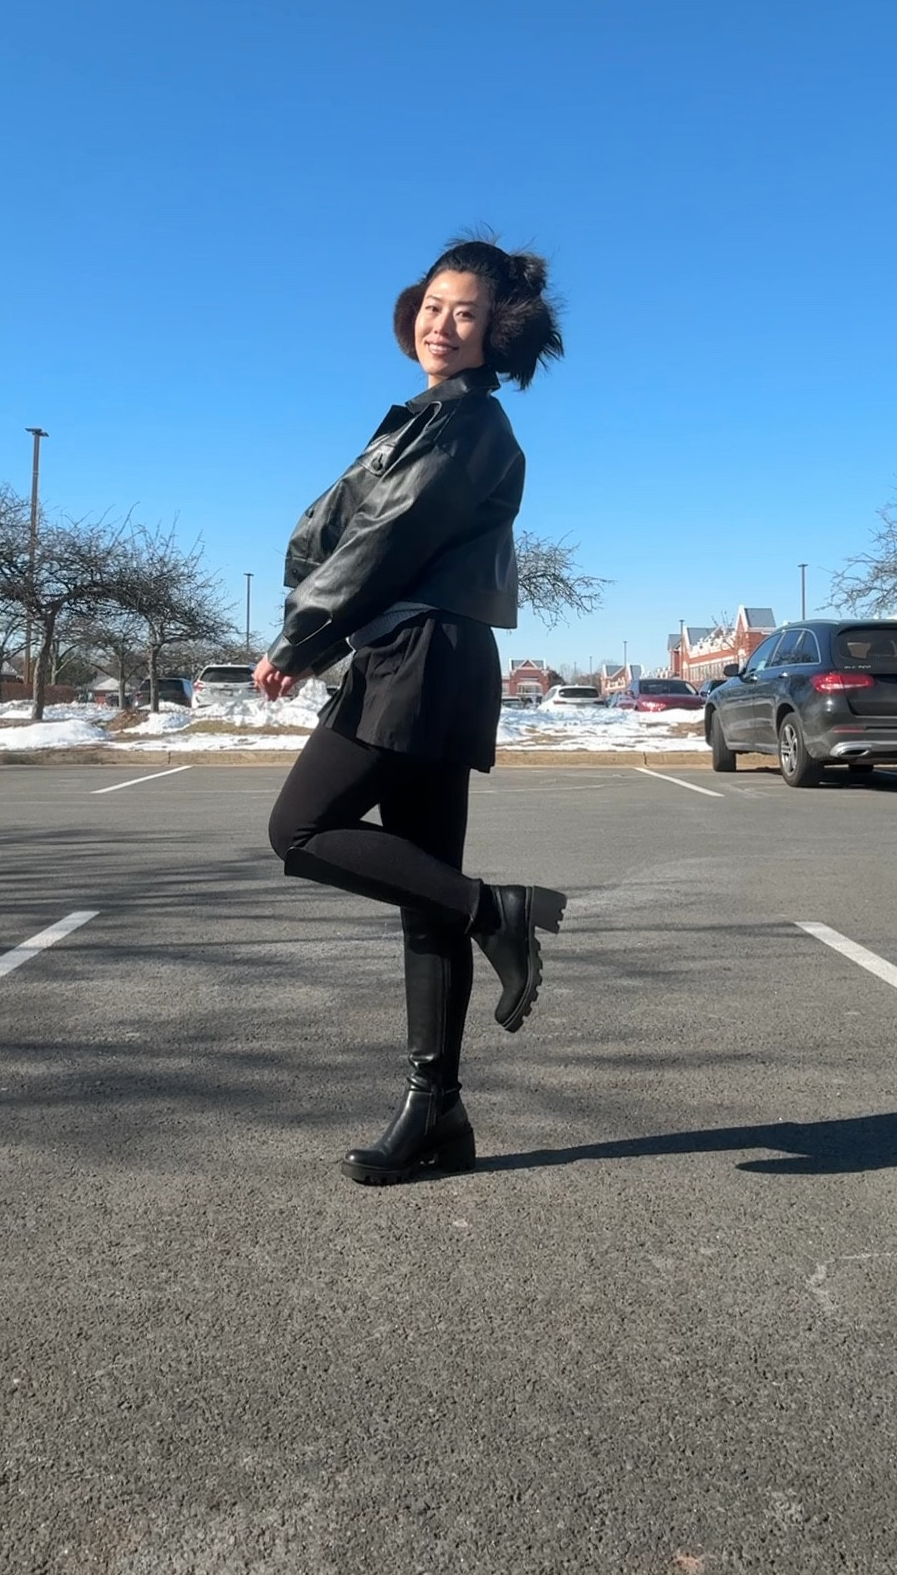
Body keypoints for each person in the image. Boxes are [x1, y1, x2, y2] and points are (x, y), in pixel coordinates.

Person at [254, 236, 567, 1185]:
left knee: (301, 828)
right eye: (433, 304)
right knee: (420, 893)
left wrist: (301, 638)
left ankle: (495, 909)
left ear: (494, 333)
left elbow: (389, 538)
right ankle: (440, 1112)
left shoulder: (472, 426)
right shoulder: (422, 418)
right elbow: (340, 524)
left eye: (466, 312)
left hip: (419, 653)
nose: (443, 323)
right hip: (423, 653)